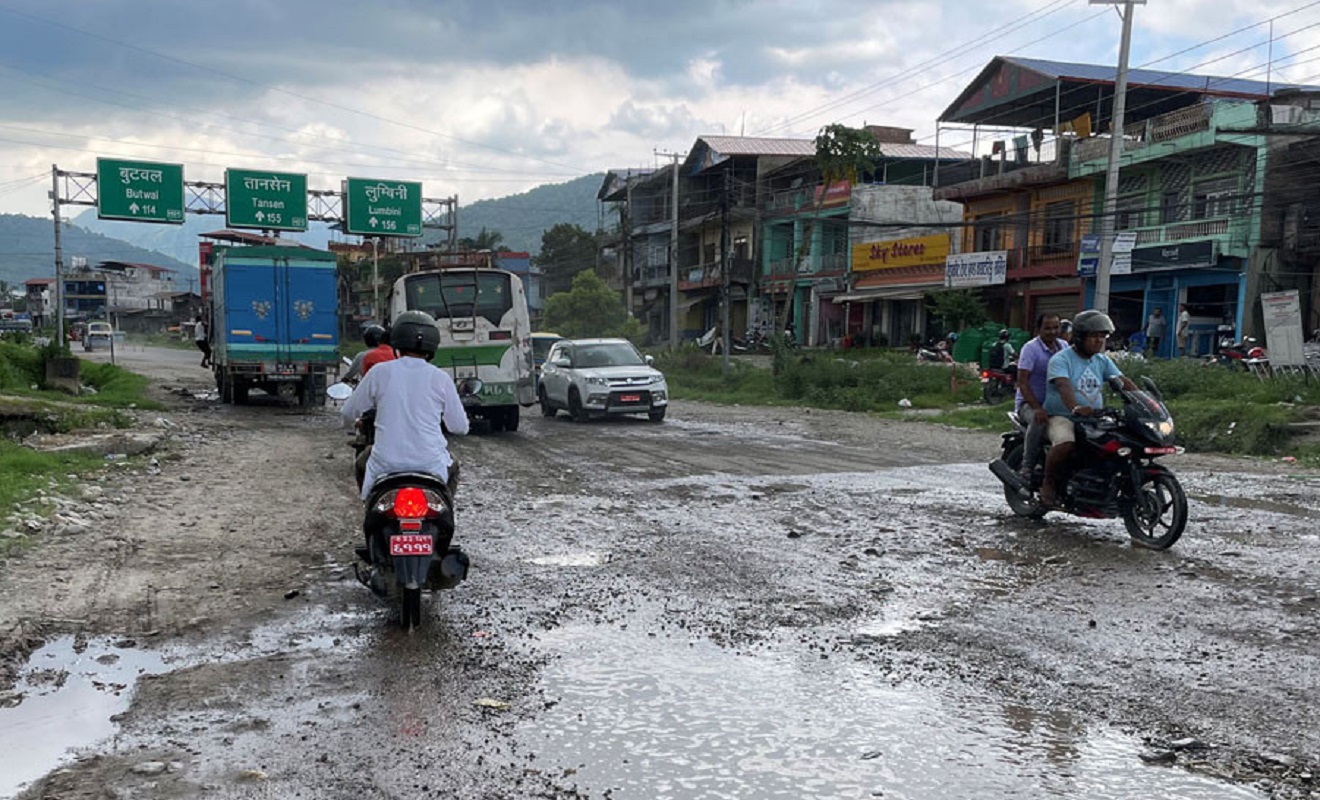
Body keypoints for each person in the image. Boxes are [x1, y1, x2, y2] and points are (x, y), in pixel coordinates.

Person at [341, 310, 470, 501]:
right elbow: (459, 427)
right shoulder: (440, 378)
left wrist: (352, 425)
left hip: (385, 465)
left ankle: (369, 507)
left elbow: (349, 412)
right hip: (431, 465)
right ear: (433, 344)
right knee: (454, 467)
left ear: (397, 341)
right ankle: (445, 509)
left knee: (361, 463)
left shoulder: (380, 372)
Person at [1039, 310, 1138, 508]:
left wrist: (1143, 399)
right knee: (1066, 442)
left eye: (1102, 337)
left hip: (1093, 418)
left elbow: (1122, 381)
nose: (1099, 341)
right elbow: (1063, 386)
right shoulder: (1061, 359)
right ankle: (1048, 484)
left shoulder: (1101, 360)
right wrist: (1075, 407)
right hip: (1062, 415)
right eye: (1094, 336)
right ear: (1080, 337)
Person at [1014, 313, 1064, 481]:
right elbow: (1022, 382)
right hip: (1030, 404)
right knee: (1038, 420)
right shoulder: (1030, 349)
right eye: (1047, 328)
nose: (1052, 331)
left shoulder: (1064, 347)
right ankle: (1026, 466)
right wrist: (1037, 408)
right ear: (1038, 329)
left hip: (1057, 405)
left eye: (1056, 327)